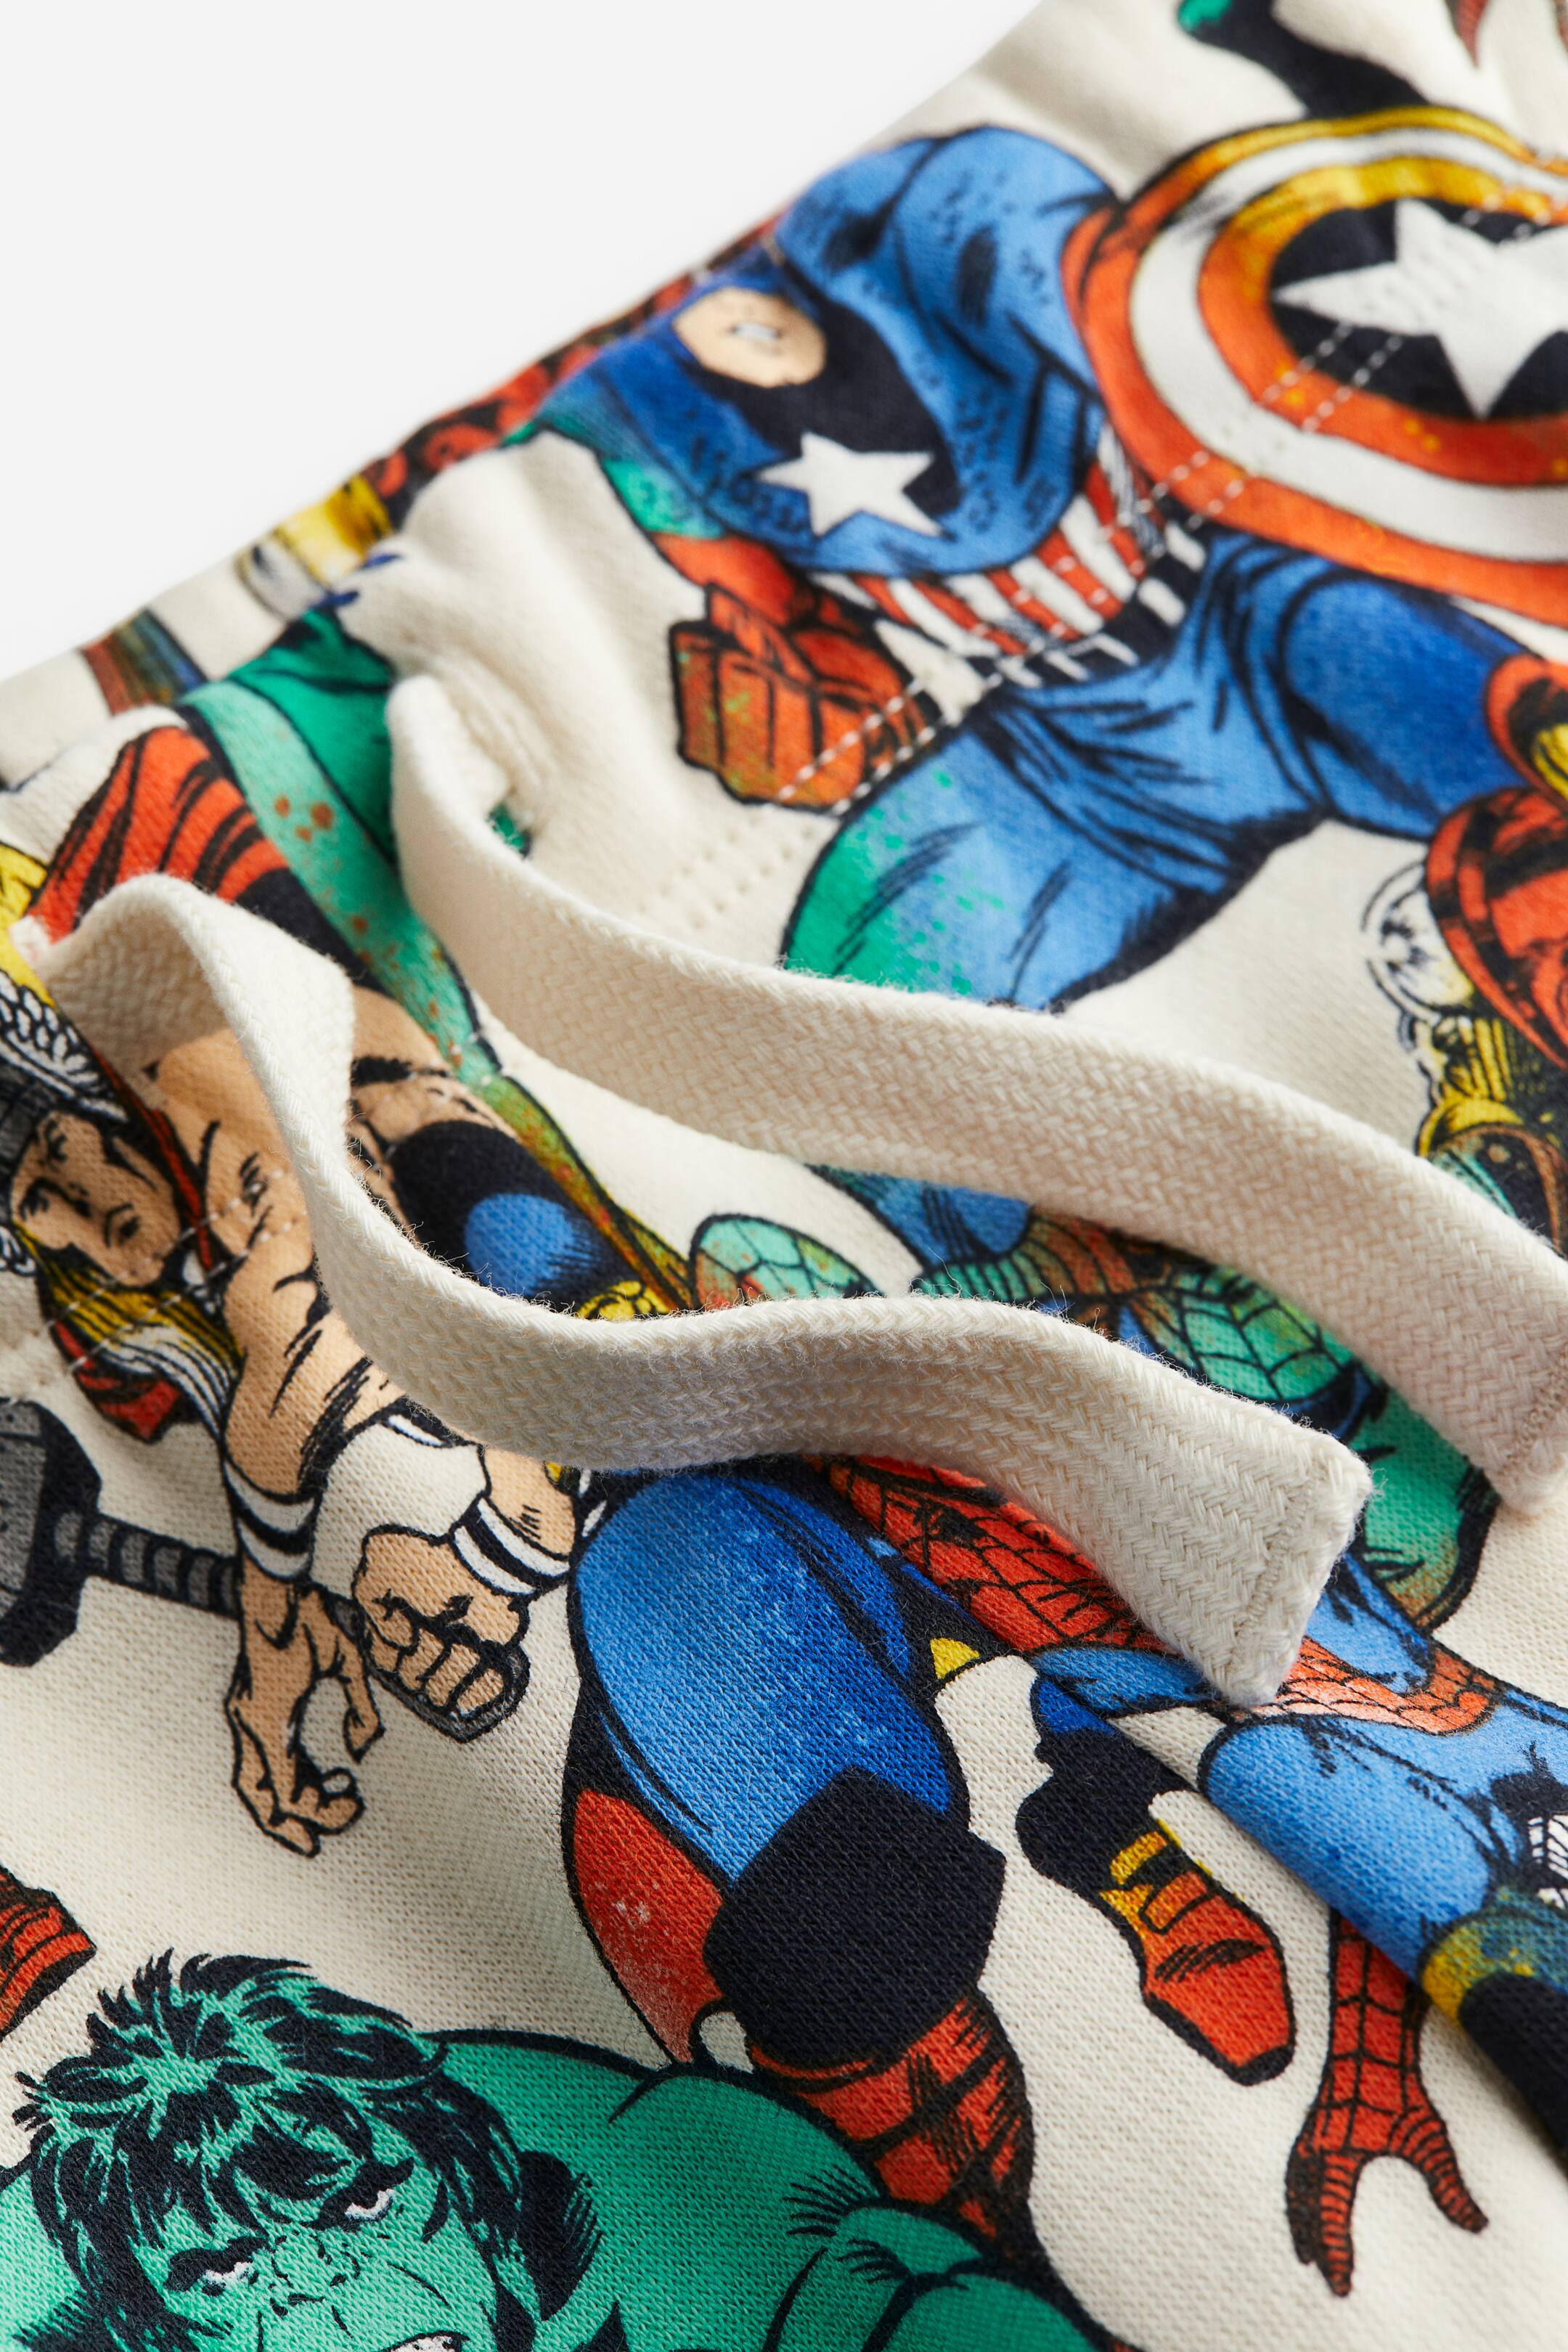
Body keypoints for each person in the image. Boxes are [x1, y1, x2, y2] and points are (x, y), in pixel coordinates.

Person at [0, 1952, 1099, 2352]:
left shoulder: (679, 2216)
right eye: (230, 2272)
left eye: (366, 2208)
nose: (323, 2294)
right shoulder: (56, 2282)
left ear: (469, 2185)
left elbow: (897, 2301)